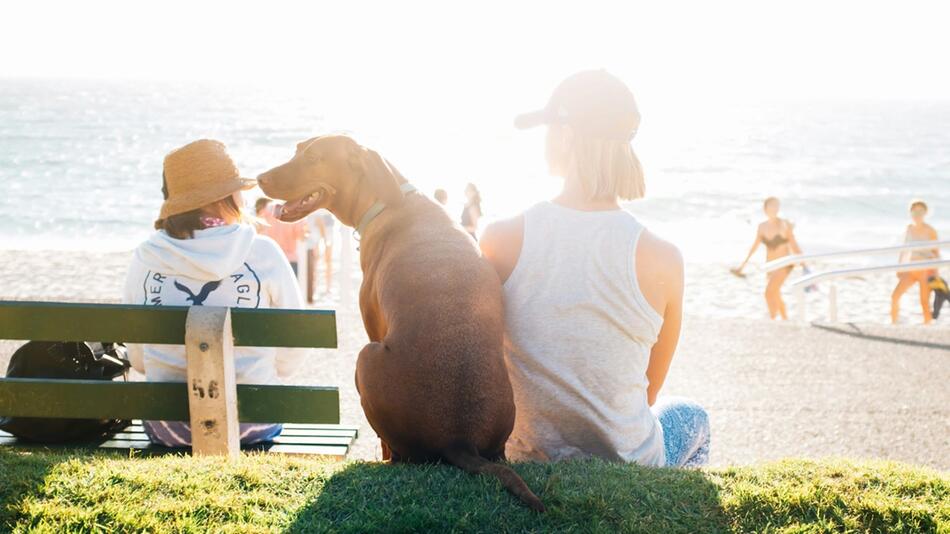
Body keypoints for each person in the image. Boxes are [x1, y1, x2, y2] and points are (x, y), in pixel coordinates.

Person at [480, 70, 709, 468]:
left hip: (527, 456)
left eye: (549, 127)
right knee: (694, 417)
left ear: (567, 135)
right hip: (630, 462)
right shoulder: (664, 258)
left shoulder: (501, 238)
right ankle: (673, 510)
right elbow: (648, 394)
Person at [123, 139, 305, 447]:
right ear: (228, 196)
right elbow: (294, 348)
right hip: (254, 420)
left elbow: (138, 361)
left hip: (168, 425)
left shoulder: (146, 256)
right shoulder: (263, 252)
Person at [732, 197, 802, 320]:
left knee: (769, 292)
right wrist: (742, 266)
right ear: (765, 208)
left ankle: (773, 319)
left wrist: (804, 265)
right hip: (770, 265)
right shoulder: (762, 227)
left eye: (777, 206)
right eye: (772, 206)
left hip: (785, 264)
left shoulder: (785, 224)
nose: (775, 208)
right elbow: (754, 247)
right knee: (775, 293)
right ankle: (785, 319)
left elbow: (794, 244)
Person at [891, 200, 940, 324]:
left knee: (924, 302)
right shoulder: (909, 228)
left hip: (925, 270)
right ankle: (893, 324)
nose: (917, 214)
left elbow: (936, 253)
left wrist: (935, 273)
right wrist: (900, 267)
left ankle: (928, 327)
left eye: (920, 211)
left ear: (925, 213)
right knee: (895, 296)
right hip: (911, 269)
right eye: (914, 211)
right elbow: (903, 250)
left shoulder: (931, 231)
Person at [260, 199, 308, 275]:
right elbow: (302, 237)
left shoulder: (268, 209)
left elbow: (260, 232)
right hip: (289, 260)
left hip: (270, 259)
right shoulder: (296, 211)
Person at [306, 209, 336, 302]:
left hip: (324, 221)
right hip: (317, 222)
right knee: (316, 260)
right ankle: (318, 287)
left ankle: (327, 287)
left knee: (325, 260)